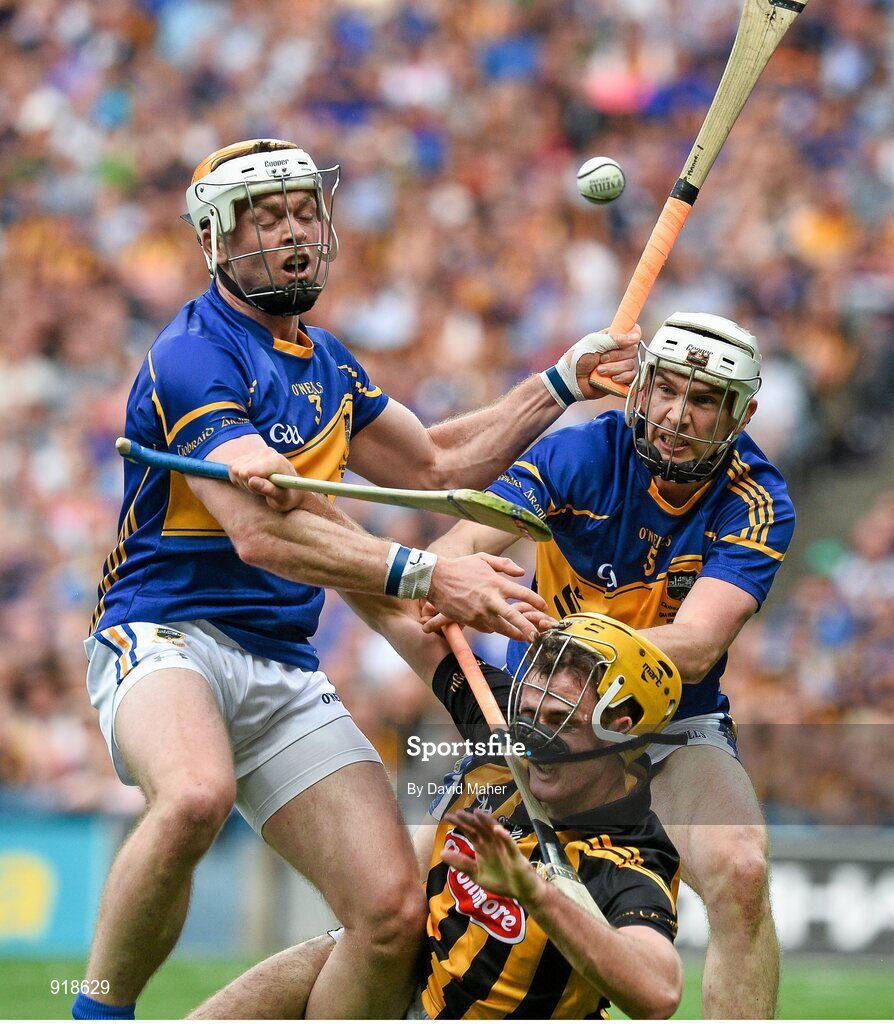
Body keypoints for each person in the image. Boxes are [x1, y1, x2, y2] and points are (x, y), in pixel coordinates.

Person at [76, 138, 638, 1020]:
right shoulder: (194, 354)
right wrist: (427, 575)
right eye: (268, 219)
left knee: (391, 915)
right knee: (193, 797)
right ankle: (96, 1011)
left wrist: (562, 384)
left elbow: (438, 463)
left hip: (283, 663)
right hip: (163, 635)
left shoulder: (328, 362)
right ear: (218, 241)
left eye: (305, 213)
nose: (295, 233)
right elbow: (264, 532)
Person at [423, 312, 796, 1018]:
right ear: (643, 386)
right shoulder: (580, 457)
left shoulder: (758, 501)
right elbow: (454, 550)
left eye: (705, 400)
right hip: (544, 716)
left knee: (742, 871)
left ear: (741, 414)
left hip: (669, 722)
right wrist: (457, 582)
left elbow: (697, 644)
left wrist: (564, 638)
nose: (676, 416)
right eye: (667, 388)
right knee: (403, 887)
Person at [189, 610, 685, 1020]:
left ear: (620, 734)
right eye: (528, 713)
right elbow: (394, 611)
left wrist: (534, 894)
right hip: (412, 976)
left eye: (560, 722)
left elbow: (659, 993)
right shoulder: (498, 725)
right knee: (358, 938)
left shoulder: (630, 856)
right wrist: (433, 575)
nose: (532, 738)